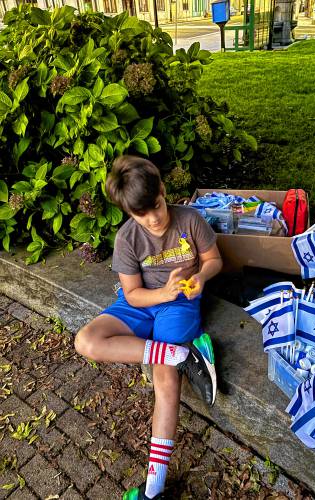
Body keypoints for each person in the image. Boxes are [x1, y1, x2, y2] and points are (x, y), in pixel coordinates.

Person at [74, 155, 223, 499]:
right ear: (129, 213)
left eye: (156, 206)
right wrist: (160, 291)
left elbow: (214, 260)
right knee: (87, 341)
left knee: (164, 379)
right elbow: (133, 294)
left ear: (163, 190)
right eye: (141, 214)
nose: (153, 219)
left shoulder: (190, 219)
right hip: (141, 303)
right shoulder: (127, 238)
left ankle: (153, 488)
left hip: (178, 305)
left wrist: (199, 276)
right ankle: (181, 353)